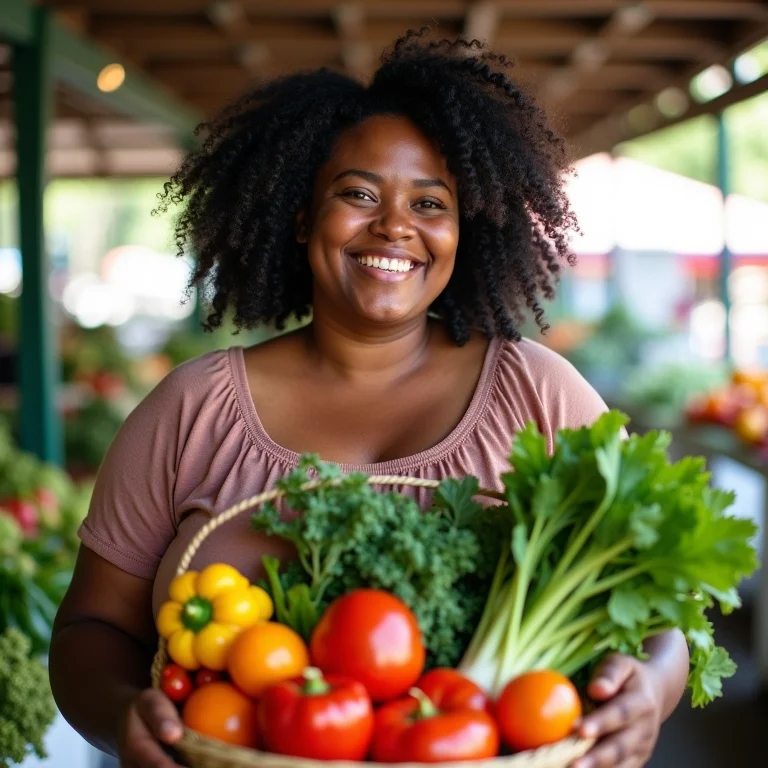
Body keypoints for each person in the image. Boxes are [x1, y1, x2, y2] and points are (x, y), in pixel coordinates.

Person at [50, 31, 689, 768]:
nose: (394, 225)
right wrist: (123, 714)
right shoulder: (190, 410)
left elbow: (662, 610)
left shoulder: (540, 393)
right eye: (358, 194)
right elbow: (91, 627)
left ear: (464, 230)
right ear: (299, 215)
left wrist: (652, 688)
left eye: (431, 202)